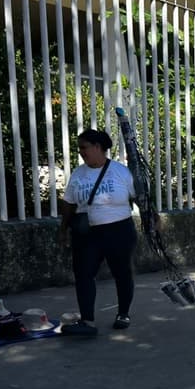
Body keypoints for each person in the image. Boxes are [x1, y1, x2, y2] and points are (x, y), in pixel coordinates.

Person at [59, 129, 139, 335]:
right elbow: (69, 203)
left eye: (84, 147)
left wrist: (152, 217)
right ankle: (87, 321)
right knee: (83, 274)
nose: (81, 152)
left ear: (97, 147)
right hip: (87, 234)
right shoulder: (78, 174)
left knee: (122, 272)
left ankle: (123, 314)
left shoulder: (121, 172)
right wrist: (64, 229)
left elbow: (139, 196)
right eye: (80, 148)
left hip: (119, 230)